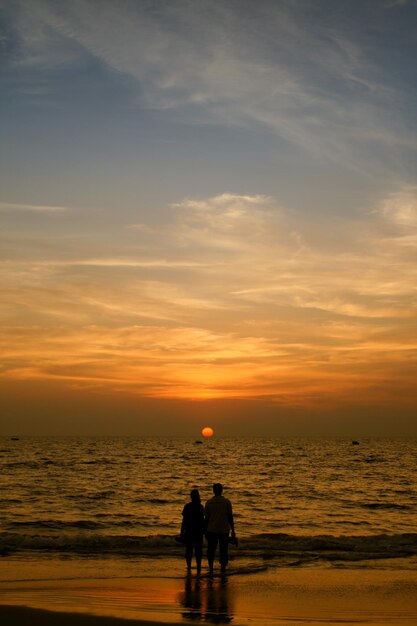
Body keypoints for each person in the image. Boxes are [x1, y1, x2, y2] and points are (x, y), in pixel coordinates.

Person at [204, 483, 236, 575]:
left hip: (212, 530)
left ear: (213, 491)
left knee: (211, 550)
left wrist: (204, 530)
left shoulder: (209, 502)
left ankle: (211, 568)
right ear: (221, 490)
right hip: (224, 530)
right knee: (224, 550)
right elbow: (230, 517)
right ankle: (223, 569)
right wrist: (233, 530)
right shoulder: (227, 502)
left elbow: (206, 518)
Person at [180, 488, 205, 573]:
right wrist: (204, 531)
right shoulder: (200, 507)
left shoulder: (187, 506)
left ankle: (189, 567)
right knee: (198, 551)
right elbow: (202, 521)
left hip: (189, 531)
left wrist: (182, 532)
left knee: (189, 551)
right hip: (198, 531)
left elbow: (184, 521)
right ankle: (198, 568)